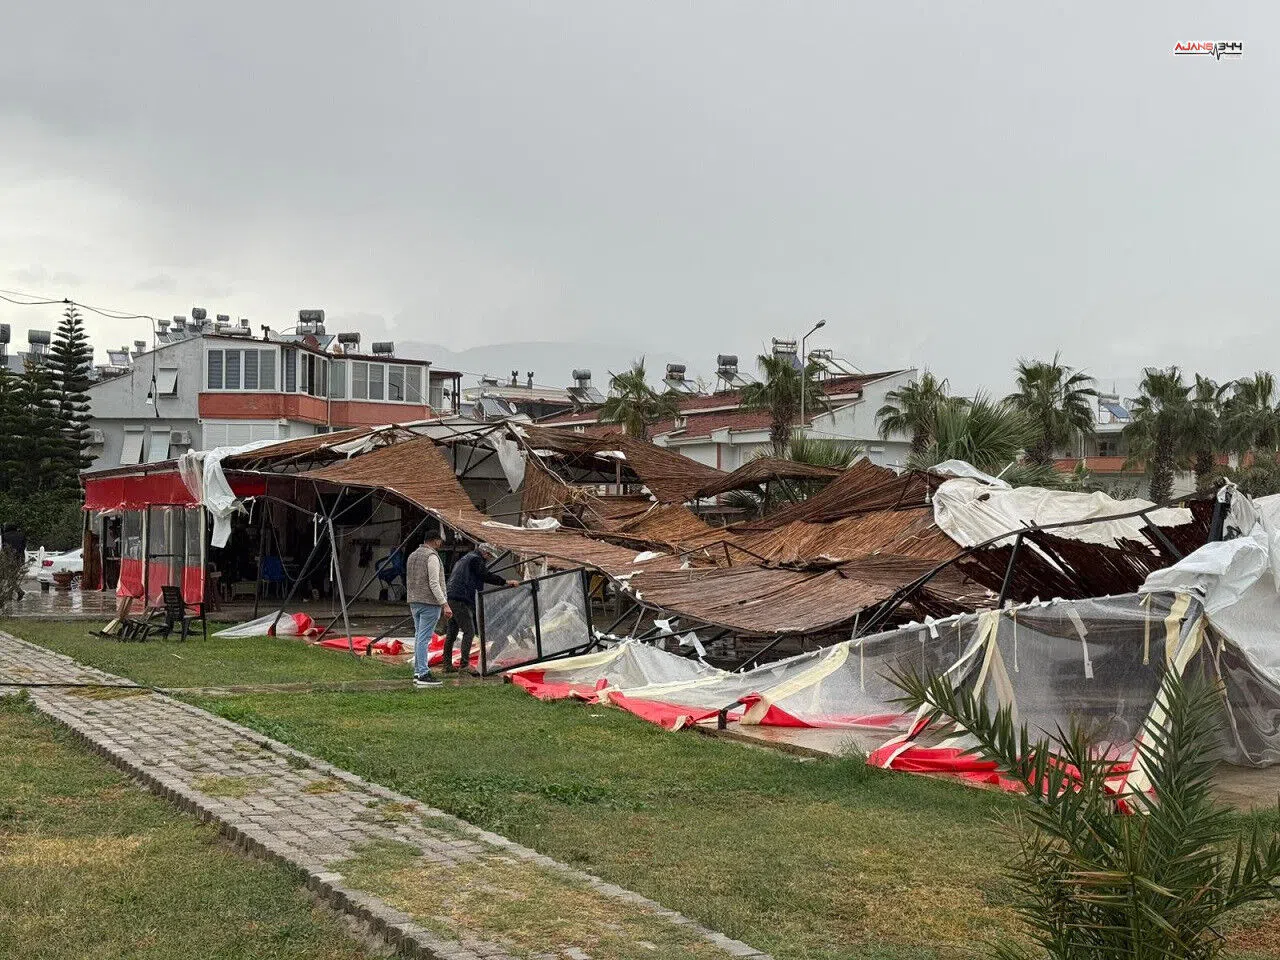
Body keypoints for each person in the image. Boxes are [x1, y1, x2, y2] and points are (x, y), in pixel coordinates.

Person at [444, 542, 517, 674]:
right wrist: (505, 582)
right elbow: (485, 575)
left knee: (452, 633)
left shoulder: (465, 558)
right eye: (489, 556)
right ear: (484, 553)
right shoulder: (476, 559)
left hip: (451, 596)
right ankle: (464, 665)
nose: (489, 559)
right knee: (469, 631)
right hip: (462, 598)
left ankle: (447, 664)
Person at [405, 531, 450, 688]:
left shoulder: (412, 556)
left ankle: (418, 671)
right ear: (436, 541)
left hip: (414, 601)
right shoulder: (432, 557)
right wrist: (444, 604)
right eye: (440, 541)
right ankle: (424, 673)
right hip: (429, 603)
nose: (440, 544)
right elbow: (434, 583)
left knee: (419, 636)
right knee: (424, 639)